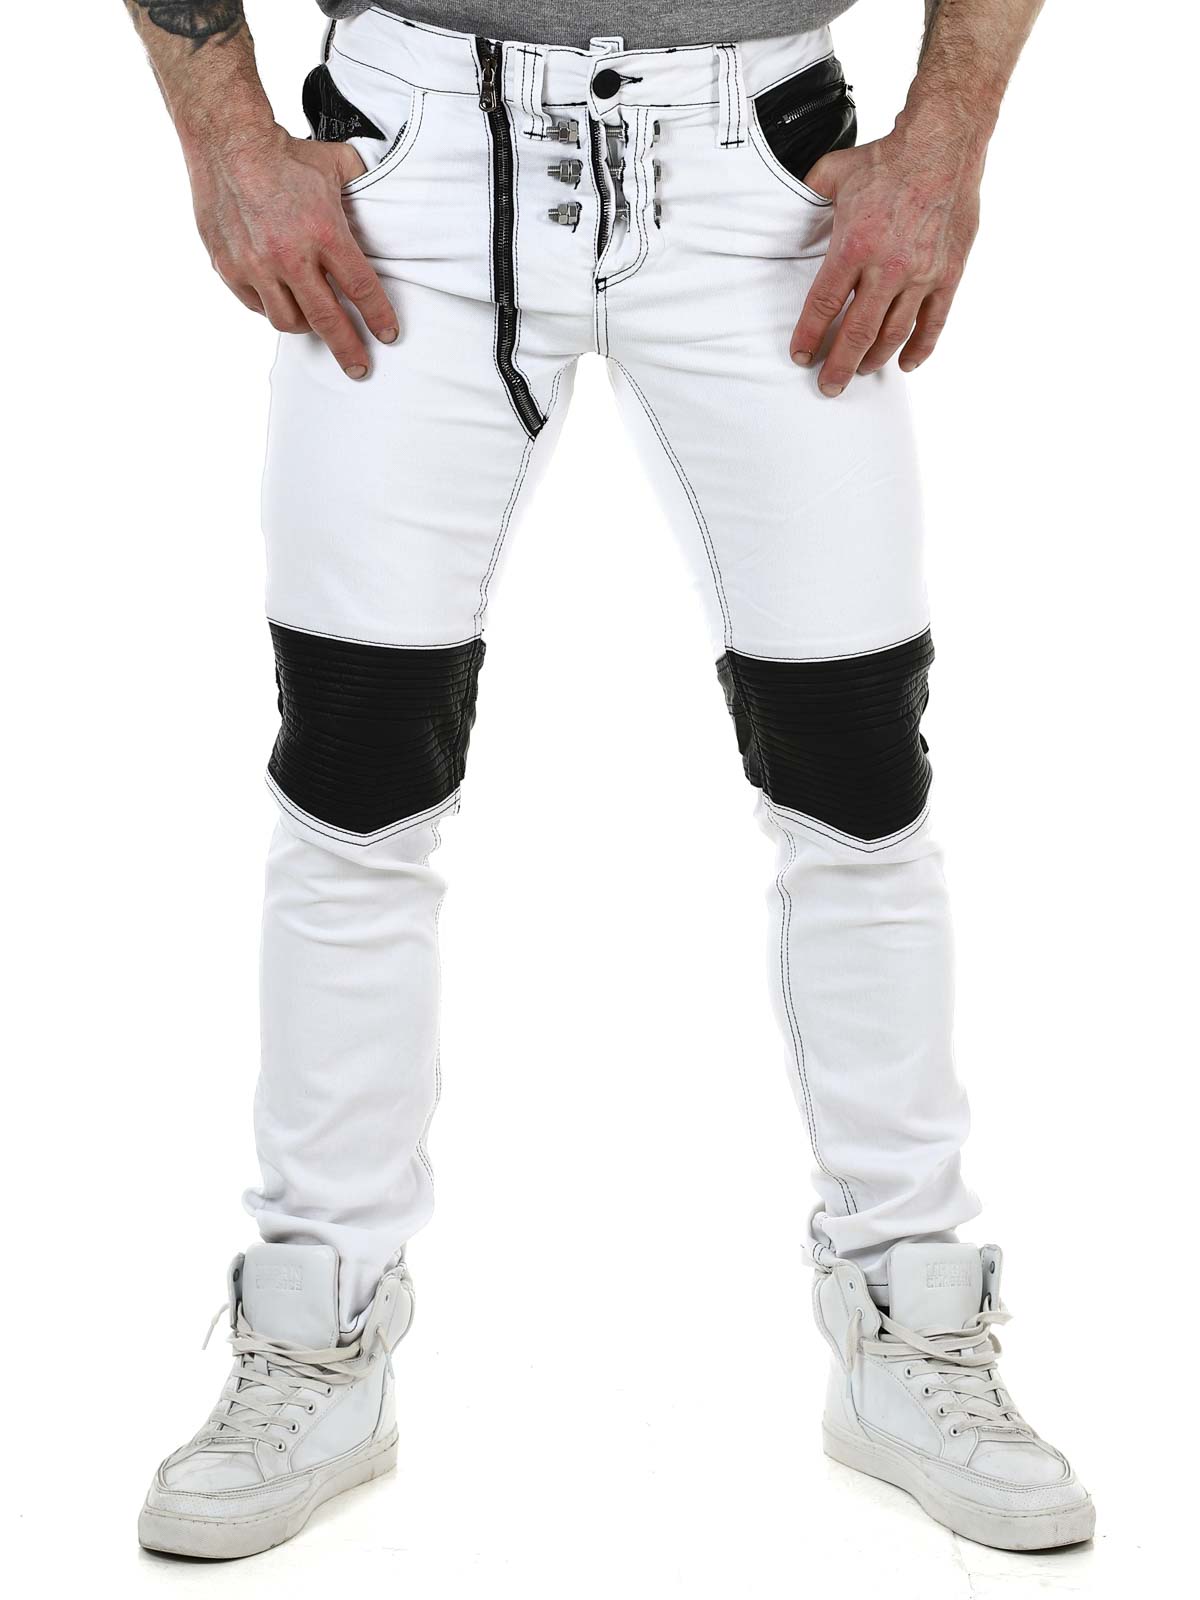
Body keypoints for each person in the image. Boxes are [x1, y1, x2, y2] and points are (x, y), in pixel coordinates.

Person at [124, 0, 1094, 1561]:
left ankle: (913, 1316)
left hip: (764, 170)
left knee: (857, 774)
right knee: (354, 779)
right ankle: (314, 1332)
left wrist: (949, 135)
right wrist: (226, 132)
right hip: (414, 167)